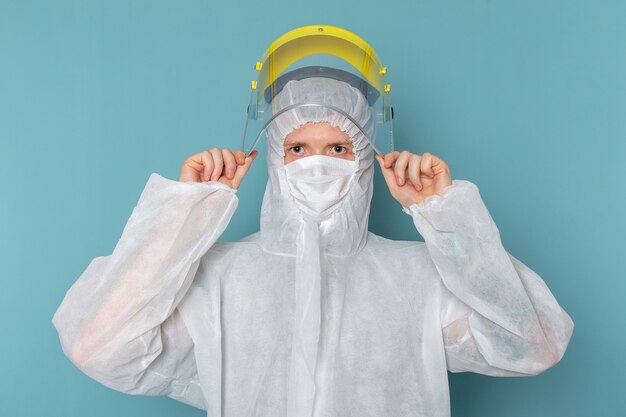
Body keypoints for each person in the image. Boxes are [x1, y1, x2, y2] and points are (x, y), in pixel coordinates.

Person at [53, 27, 573, 417]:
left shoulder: (419, 279)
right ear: (275, 158)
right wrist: (184, 214)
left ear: (366, 158)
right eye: (297, 147)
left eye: (339, 147)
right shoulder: (219, 280)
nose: (315, 162)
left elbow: (535, 345)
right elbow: (97, 347)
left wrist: (447, 217)